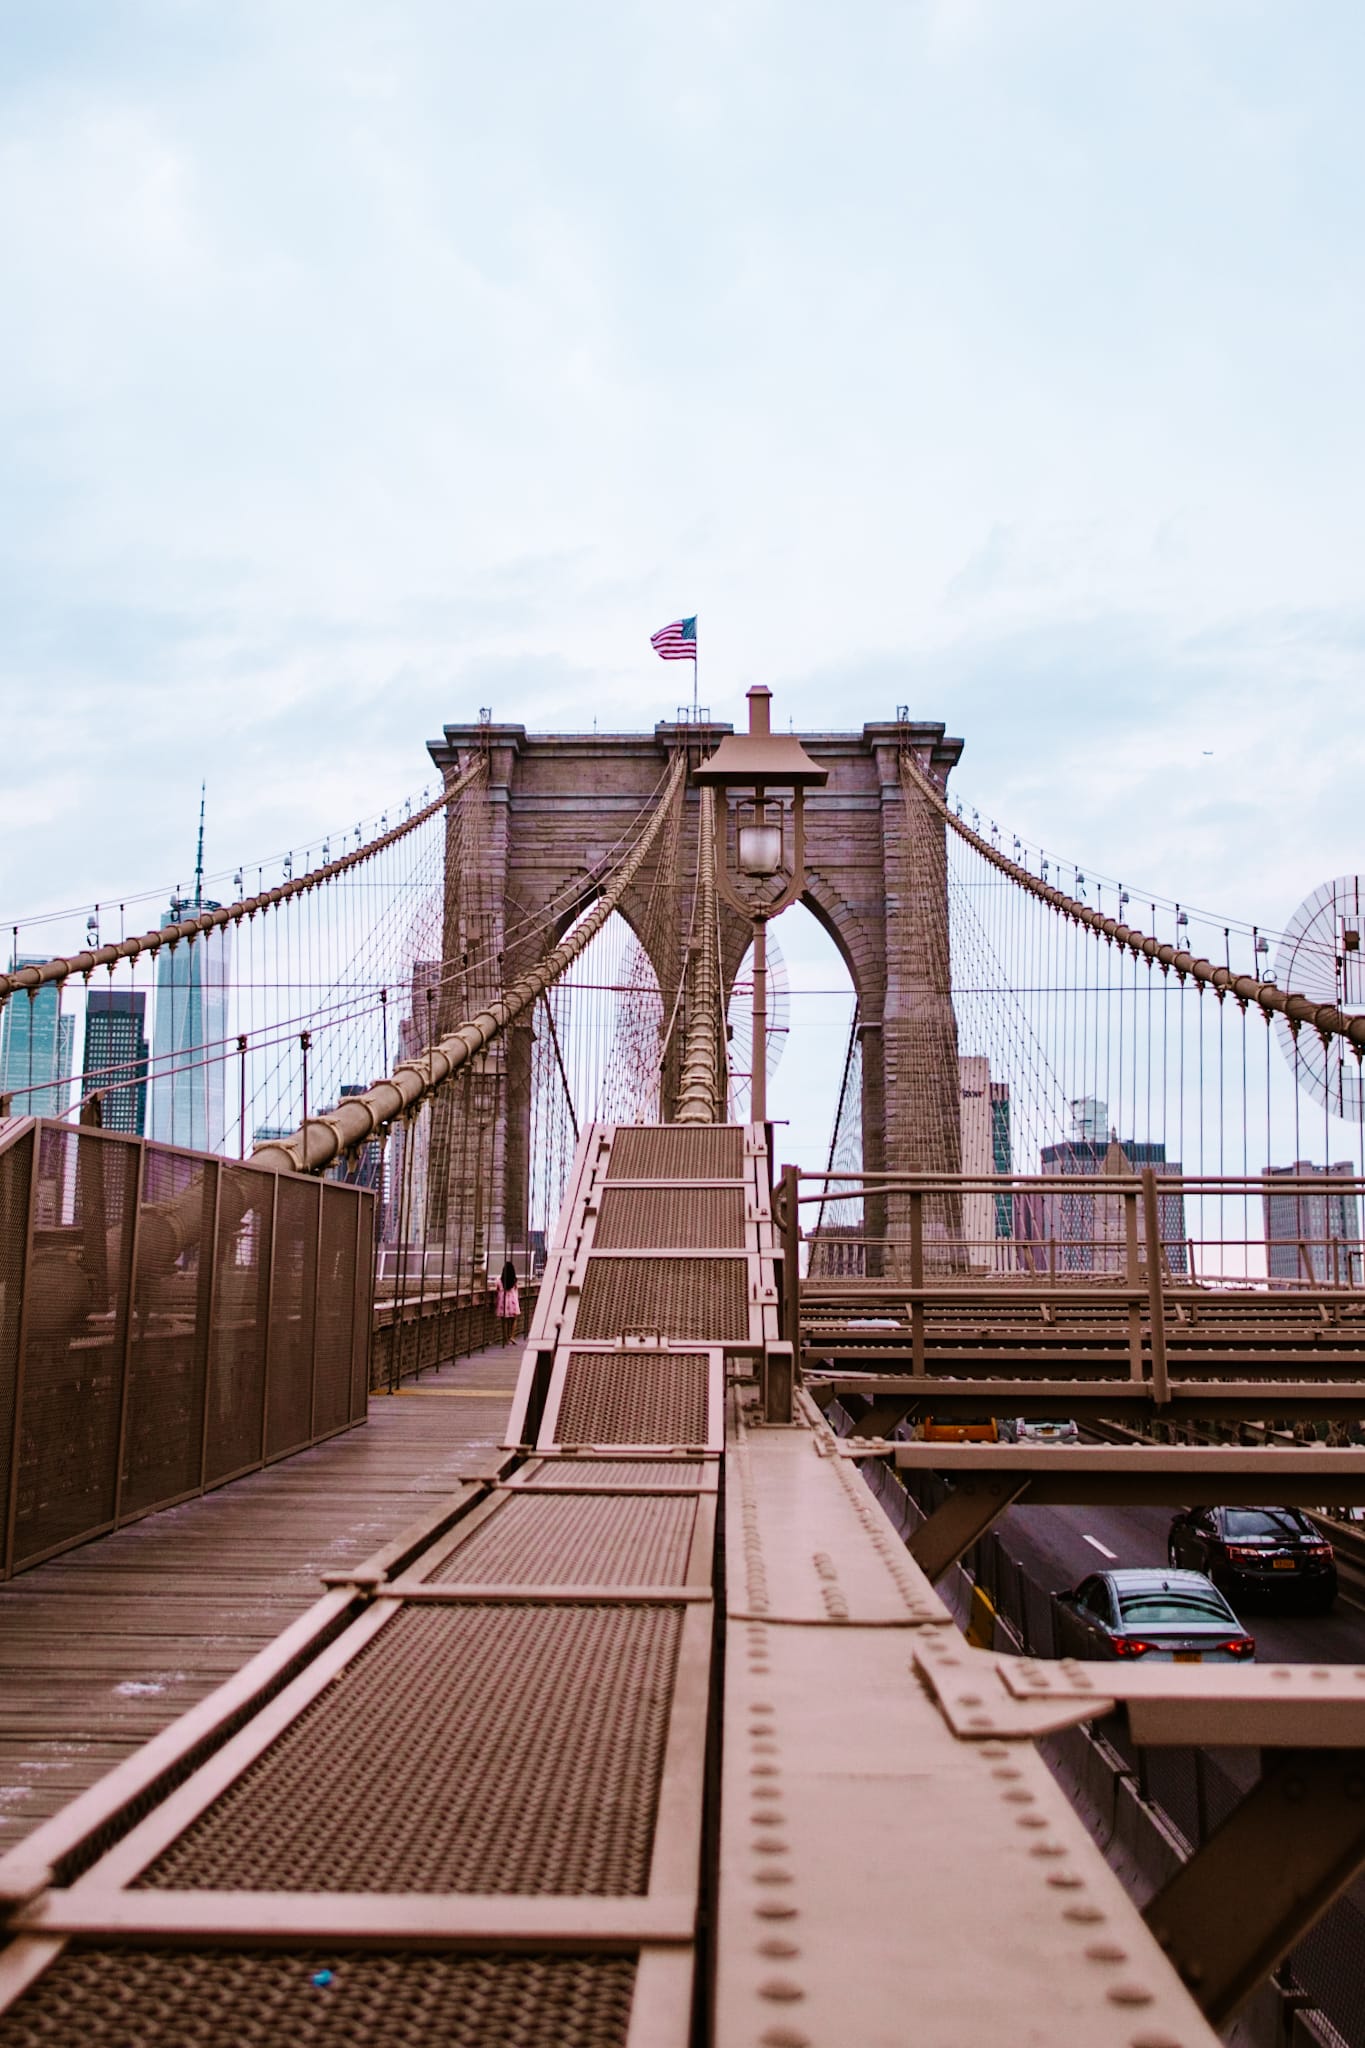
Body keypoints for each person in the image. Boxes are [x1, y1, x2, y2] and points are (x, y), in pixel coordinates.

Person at [494, 1257, 521, 1345]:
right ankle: (512, 1336)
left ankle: (505, 1338)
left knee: (504, 1320)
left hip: (503, 1301)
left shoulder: (499, 1279)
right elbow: (516, 1288)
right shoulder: (514, 1280)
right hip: (513, 1300)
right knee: (514, 1319)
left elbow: (497, 1289)